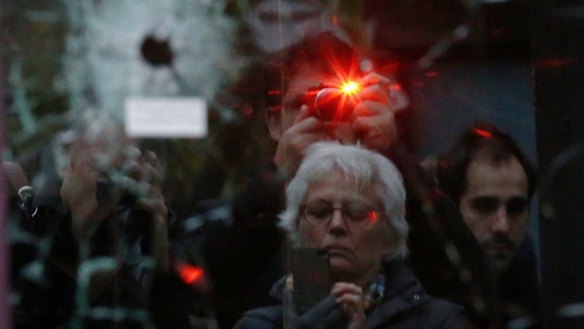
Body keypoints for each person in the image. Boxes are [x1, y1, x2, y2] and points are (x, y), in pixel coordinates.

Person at [234, 141, 473, 329]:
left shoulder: (441, 323)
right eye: (319, 212)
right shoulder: (257, 325)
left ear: (389, 234)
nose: (336, 224)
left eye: (357, 213)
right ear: (297, 228)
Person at [10, 113, 195, 329]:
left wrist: (160, 259)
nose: (115, 193)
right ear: (66, 163)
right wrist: (82, 230)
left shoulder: (135, 258)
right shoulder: (20, 240)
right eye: (105, 176)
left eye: (127, 182)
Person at [434, 121, 540, 328]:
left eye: (516, 208)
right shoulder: (415, 303)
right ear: (451, 210)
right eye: (484, 207)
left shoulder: (543, 309)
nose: (502, 226)